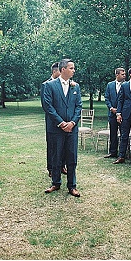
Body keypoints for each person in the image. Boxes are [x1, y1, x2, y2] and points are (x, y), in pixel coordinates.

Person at [42, 59, 83, 197]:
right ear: (63, 69)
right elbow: (48, 106)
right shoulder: (50, 85)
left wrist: (72, 123)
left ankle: (72, 185)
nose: (74, 70)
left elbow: (79, 106)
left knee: (71, 157)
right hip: (56, 128)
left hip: (72, 128)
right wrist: (61, 123)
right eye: (71, 68)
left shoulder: (75, 86)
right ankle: (55, 183)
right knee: (56, 156)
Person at [42, 62, 63, 177]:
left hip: (63, 121)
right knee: (52, 146)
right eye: (60, 71)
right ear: (55, 71)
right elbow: (46, 105)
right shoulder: (46, 85)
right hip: (52, 122)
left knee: (63, 145)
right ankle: (51, 168)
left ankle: (62, 166)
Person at [103, 68, 126, 160]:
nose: (124, 76)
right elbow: (107, 98)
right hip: (112, 113)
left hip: (123, 114)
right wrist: (111, 108)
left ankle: (122, 154)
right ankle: (113, 152)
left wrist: (120, 110)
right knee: (113, 133)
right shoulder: (110, 85)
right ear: (117, 75)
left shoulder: (126, 85)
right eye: (122, 74)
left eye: (124, 74)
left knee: (123, 134)